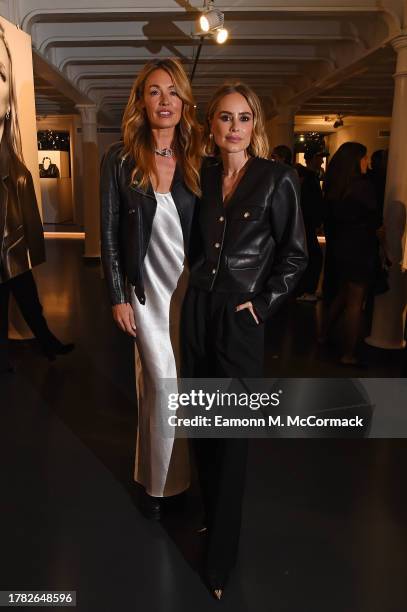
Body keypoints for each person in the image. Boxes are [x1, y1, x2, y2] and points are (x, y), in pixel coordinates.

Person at [182, 82, 308, 598]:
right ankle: (212, 519)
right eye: (224, 119)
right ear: (211, 127)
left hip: (241, 313)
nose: (234, 128)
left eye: (243, 118)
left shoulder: (277, 179)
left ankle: (220, 562)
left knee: (232, 434)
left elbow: (297, 254)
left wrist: (263, 302)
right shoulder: (203, 176)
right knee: (202, 423)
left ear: (255, 125)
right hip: (198, 309)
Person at [100, 58, 201, 520]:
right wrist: (118, 294)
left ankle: (177, 480)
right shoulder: (119, 159)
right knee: (160, 387)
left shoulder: (202, 156)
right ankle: (158, 487)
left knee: (187, 389)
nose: (165, 101)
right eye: (155, 91)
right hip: (145, 293)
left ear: (185, 101)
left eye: (173, 92)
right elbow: (109, 231)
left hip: (190, 291)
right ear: (141, 99)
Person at [0, 24, 74, 374]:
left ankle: (49, 344)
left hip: (13, 251)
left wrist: (30, 248)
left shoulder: (11, 155)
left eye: (0, 75)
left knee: (30, 302)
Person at [320, 142, 379, 365]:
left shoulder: (335, 186)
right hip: (359, 248)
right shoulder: (362, 187)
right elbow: (372, 219)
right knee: (355, 301)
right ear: (355, 161)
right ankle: (349, 353)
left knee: (345, 294)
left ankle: (323, 334)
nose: (368, 162)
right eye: (364, 158)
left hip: (342, 247)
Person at [295, 144, 325, 302]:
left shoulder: (309, 177)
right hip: (306, 224)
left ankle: (304, 290)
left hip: (306, 224)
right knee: (313, 257)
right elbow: (309, 203)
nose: (321, 160)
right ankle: (305, 290)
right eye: (319, 157)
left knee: (313, 256)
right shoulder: (308, 178)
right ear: (312, 159)